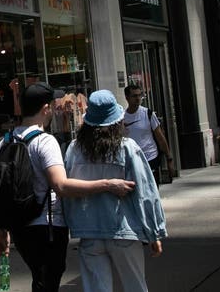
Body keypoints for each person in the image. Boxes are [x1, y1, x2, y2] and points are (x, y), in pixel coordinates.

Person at [0, 82, 135, 292]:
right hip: (48, 226)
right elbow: (61, 186)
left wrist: (2, 231)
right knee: (47, 282)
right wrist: (107, 184)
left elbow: (2, 191)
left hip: (19, 227)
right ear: (45, 109)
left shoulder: (4, 143)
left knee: (40, 280)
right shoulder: (45, 141)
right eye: (51, 105)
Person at [64, 90, 167, 292]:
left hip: (89, 231)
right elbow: (145, 192)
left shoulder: (74, 149)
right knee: (135, 286)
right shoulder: (127, 147)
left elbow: (67, 188)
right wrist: (154, 232)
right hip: (123, 229)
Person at [122, 85, 173, 184]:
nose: (138, 98)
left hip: (150, 157)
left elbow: (160, 137)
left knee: (152, 189)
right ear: (127, 98)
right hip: (133, 160)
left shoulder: (148, 113)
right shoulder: (122, 117)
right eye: (134, 96)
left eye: (139, 95)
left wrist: (169, 158)